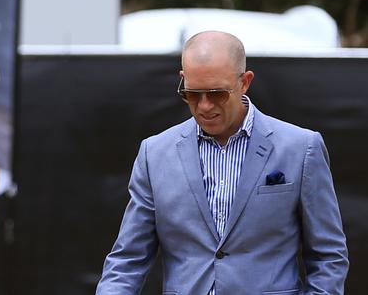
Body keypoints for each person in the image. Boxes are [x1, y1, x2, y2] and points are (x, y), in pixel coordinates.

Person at [96, 30, 349, 294]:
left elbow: (328, 256)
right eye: (192, 93)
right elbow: (127, 260)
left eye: (217, 93)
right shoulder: (155, 153)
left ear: (245, 82)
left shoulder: (301, 148)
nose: (204, 106)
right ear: (182, 80)